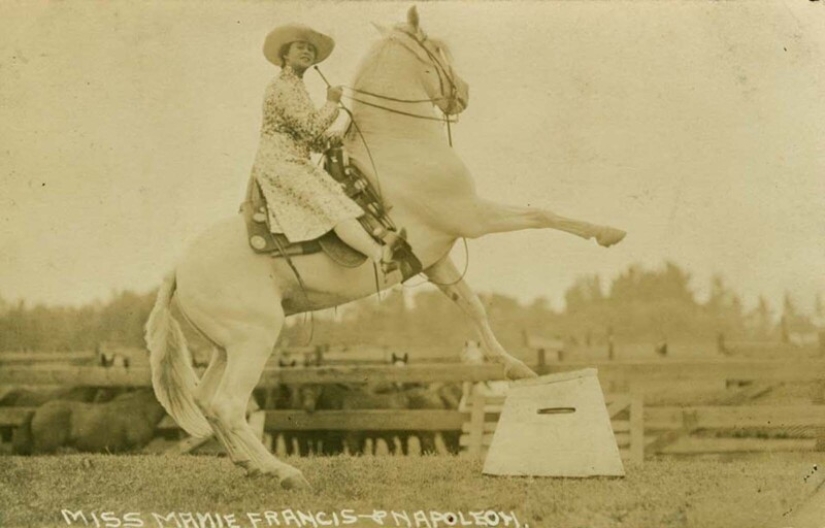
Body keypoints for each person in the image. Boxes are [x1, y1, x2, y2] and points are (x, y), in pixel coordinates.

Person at [251, 24, 399, 272]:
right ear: (285, 54)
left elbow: (311, 138)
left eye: (310, 49)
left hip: (296, 161)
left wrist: (338, 136)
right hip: (281, 164)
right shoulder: (281, 87)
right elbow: (309, 128)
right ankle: (379, 255)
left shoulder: (297, 86)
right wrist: (331, 104)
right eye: (300, 47)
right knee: (332, 206)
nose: (307, 52)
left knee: (339, 199)